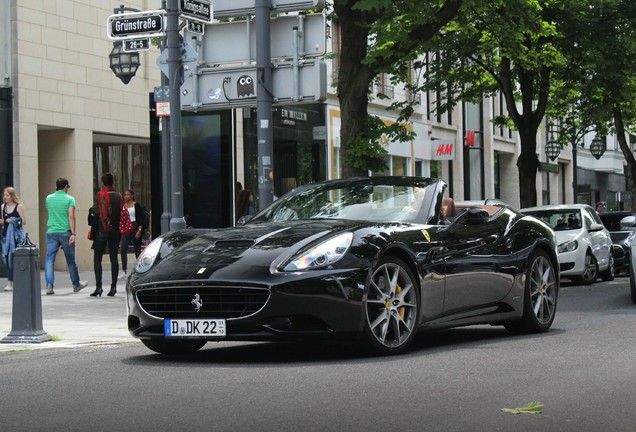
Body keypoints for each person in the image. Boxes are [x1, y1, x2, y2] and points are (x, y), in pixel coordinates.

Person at [44, 178, 88, 295]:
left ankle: (49, 286)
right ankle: (76, 284)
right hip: (65, 232)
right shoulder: (70, 199)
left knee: (49, 260)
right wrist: (73, 233)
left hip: (51, 231)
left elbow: (50, 211)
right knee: (70, 261)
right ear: (65, 187)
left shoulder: (48, 198)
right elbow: (71, 216)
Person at [91, 172, 122, 297]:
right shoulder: (118, 195)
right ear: (112, 182)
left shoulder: (101, 194)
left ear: (103, 182)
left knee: (97, 258)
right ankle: (113, 287)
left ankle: (99, 287)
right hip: (116, 230)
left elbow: (102, 213)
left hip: (103, 230)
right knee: (114, 258)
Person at [118, 189, 148, 279]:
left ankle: (139, 269)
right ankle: (124, 270)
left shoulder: (136, 205)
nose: (126, 196)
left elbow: (141, 218)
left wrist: (139, 230)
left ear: (132, 196)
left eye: (128, 194)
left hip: (134, 226)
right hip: (126, 227)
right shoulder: (123, 206)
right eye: (125, 194)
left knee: (137, 249)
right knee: (123, 248)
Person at [1, 187, 26, 292]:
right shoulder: (3, 207)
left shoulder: (18, 207)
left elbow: (23, 221)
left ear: (12, 196)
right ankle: (11, 281)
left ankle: (11, 282)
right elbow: (3, 221)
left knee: (13, 259)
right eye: (4, 195)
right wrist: (4, 221)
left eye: (7, 195)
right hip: (6, 236)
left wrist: (13, 220)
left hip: (16, 237)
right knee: (7, 258)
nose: (5, 197)